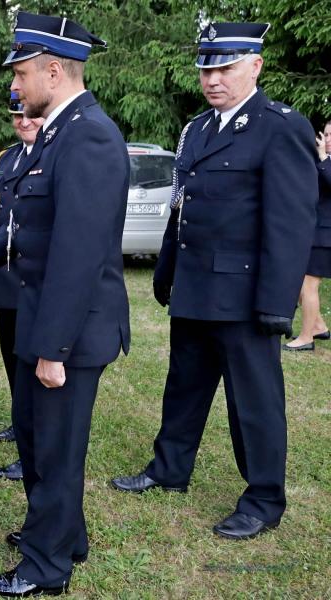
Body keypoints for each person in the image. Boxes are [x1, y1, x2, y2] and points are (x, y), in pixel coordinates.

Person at [0, 12, 130, 596]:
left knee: (54, 451)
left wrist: (54, 349)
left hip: (68, 330)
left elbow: (78, 254)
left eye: (21, 74)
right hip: (42, 316)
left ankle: (46, 566)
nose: (15, 85)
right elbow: (27, 226)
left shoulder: (89, 135)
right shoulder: (56, 131)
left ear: (54, 71)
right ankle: (62, 536)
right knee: (35, 439)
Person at [111, 23, 318, 542]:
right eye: (206, 69)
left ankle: (264, 499)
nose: (213, 79)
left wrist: (276, 303)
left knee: (254, 403)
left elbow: (291, 223)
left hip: (245, 297)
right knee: (183, 387)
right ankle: (169, 469)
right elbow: (181, 209)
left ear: (256, 66)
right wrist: (167, 270)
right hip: (196, 288)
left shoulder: (280, 127)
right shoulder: (198, 129)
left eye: (225, 68)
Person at [0, 91, 45, 482]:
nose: (23, 122)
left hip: (33, 278)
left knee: (32, 361)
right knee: (11, 356)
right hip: (5, 277)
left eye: (30, 116)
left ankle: (34, 441)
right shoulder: (6, 158)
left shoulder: (53, 156)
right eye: (16, 116)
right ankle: (21, 419)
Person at [284, 119, 331, 351]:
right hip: (315, 232)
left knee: (307, 285)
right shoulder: (323, 160)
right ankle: (319, 326)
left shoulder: (325, 161)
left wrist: (322, 158)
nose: (327, 139)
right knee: (302, 283)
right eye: (326, 134)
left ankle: (306, 338)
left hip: (326, 236)